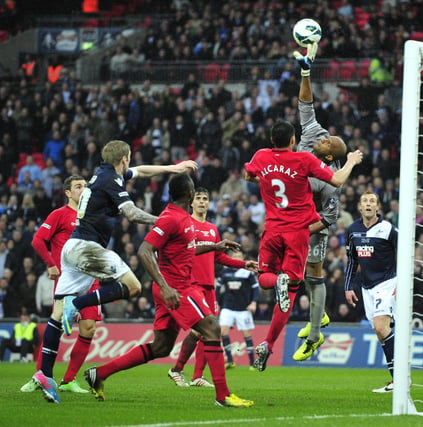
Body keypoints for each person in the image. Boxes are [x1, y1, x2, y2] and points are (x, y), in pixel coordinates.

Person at [31, 140, 198, 404]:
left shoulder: (103, 174)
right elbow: (130, 213)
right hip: (87, 247)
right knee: (133, 286)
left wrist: (172, 168)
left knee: (58, 313)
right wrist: (166, 222)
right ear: (123, 159)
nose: (131, 163)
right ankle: (80, 303)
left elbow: (141, 171)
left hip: (72, 247)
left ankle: (45, 374)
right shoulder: (112, 181)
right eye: (129, 159)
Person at [84, 173, 253, 407]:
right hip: (177, 288)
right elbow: (145, 250)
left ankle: (99, 373)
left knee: (161, 347)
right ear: (190, 194)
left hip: (173, 288)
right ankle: (223, 395)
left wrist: (214, 246)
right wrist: (165, 287)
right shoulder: (171, 218)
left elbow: (187, 249)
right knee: (212, 327)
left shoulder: (182, 219)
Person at [244, 120, 362, 371]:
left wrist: (268, 180)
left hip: (272, 230)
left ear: (272, 138)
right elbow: (338, 180)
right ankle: (268, 342)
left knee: (264, 275)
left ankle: (277, 285)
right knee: (293, 289)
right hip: (297, 234)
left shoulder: (261, 155)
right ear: (292, 141)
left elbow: (248, 175)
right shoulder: (303, 161)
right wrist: (351, 160)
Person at [167, 187, 258, 386]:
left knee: (209, 332)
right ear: (191, 203)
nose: (201, 202)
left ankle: (197, 376)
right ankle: (177, 369)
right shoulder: (185, 224)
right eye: (198, 198)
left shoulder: (212, 228)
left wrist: (244, 264)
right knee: (203, 330)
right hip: (191, 283)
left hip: (209, 285)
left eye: (205, 199)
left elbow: (219, 256)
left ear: (209, 203)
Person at [20, 175, 99, 394]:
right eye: (78, 186)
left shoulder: (91, 216)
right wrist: (51, 264)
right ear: (67, 192)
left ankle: (69, 381)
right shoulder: (59, 214)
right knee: (57, 326)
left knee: (89, 328)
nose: (83, 189)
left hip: (91, 280)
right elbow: (37, 240)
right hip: (68, 281)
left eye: (85, 186)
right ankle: (41, 376)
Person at [292, 41, 346, 361]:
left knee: (313, 274)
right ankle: (320, 314)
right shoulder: (313, 135)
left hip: (313, 228)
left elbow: (330, 216)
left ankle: (314, 335)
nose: (323, 136)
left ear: (328, 155)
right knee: (297, 273)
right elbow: (305, 104)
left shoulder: (328, 179)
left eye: (327, 140)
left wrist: (306, 228)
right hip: (294, 219)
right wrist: (306, 73)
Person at [344, 191, 398, 393]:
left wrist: (402, 282)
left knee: (380, 327)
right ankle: (396, 377)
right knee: (381, 333)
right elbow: (352, 260)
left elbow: (404, 253)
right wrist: (348, 286)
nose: (368, 204)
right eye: (365, 201)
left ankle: (399, 379)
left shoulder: (389, 230)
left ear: (377, 207)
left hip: (387, 282)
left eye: (372, 201)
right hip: (366, 287)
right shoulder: (353, 230)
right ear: (359, 206)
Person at [216, 250, 260, 369]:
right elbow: (218, 288)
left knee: (247, 335)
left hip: (243, 308)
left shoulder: (247, 272)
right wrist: (216, 302)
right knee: (223, 331)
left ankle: (252, 363)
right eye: (235, 256)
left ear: (243, 258)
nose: (237, 258)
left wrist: (253, 303)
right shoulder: (225, 272)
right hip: (227, 307)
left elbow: (256, 288)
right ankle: (230, 361)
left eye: (239, 256)